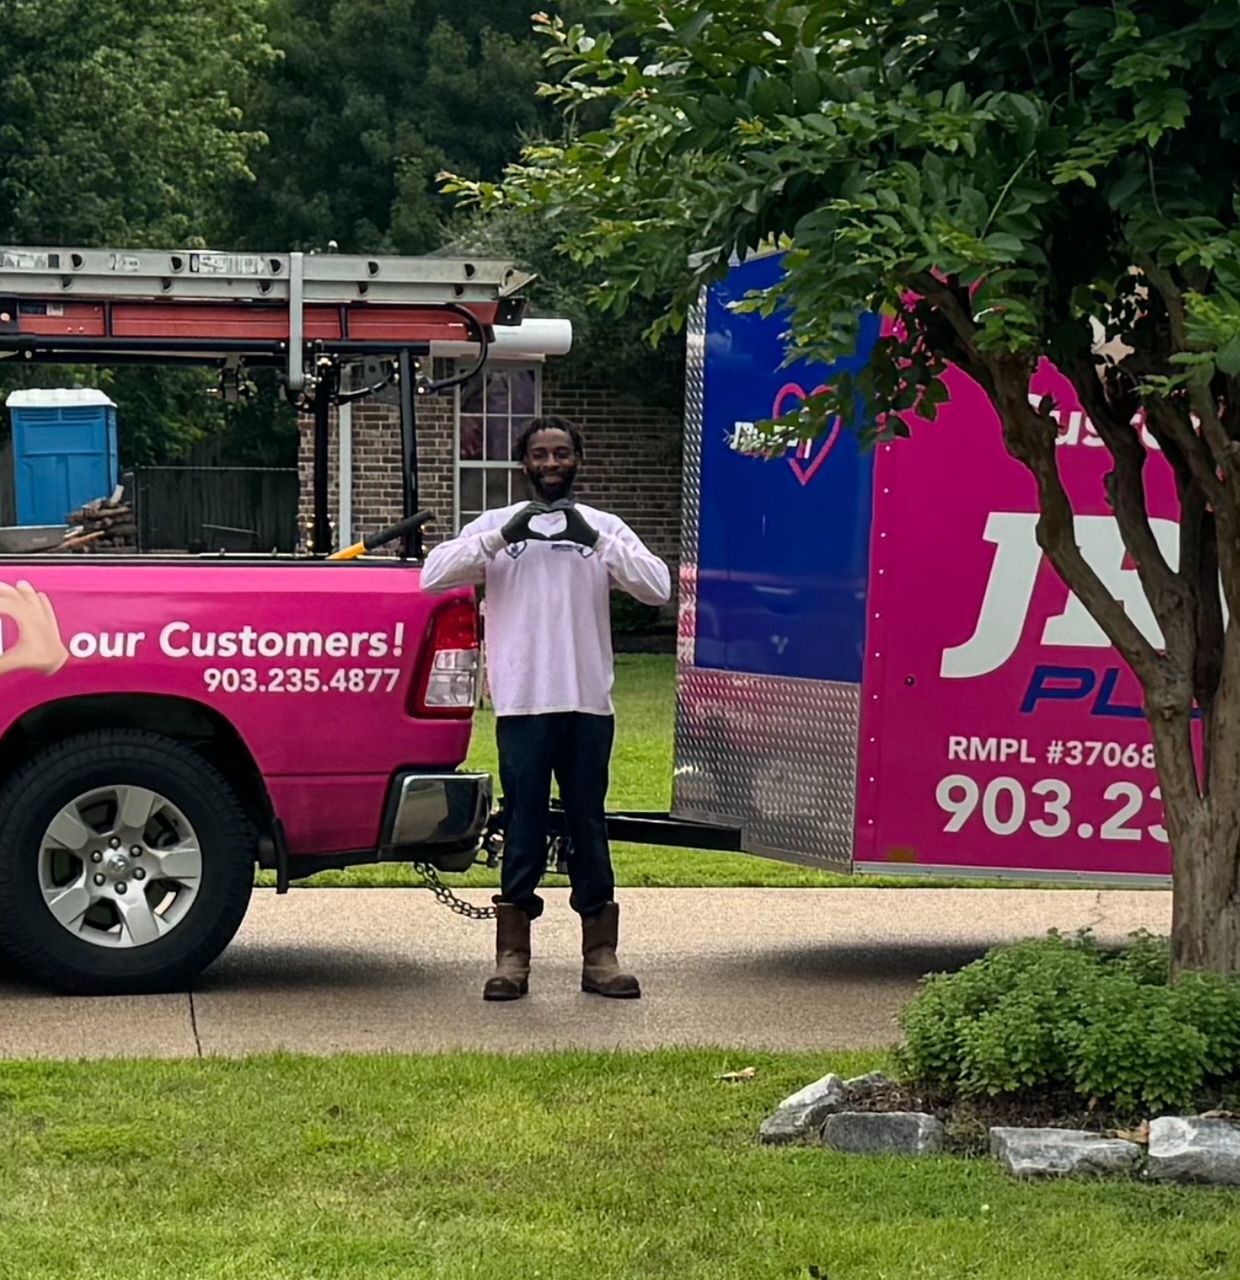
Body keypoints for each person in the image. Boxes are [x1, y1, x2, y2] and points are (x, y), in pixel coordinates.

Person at [421, 415, 671, 1002]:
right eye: (541, 455)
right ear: (524, 464)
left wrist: (596, 541)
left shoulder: (602, 527)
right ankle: (513, 957)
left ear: (577, 461)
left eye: (562, 453)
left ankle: (600, 955)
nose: (552, 463)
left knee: (588, 824)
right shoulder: (496, 528)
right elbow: (432, 576)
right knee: (526, 824)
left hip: (587, 702)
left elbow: (657, 587)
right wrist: (502, 536)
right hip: (523, 704)